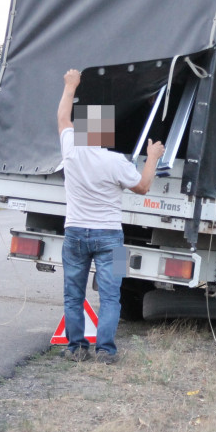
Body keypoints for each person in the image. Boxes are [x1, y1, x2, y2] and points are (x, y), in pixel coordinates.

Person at [57, 68, 164, 364]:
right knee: (111, 295)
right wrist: (152, 158)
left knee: (72, 294)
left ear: (82, 130)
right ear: (105, 131)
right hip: (112, 239)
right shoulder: (115, 162)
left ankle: (76, 347)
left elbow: (62, 118)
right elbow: (142, 187)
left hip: (75, 234)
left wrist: (71, 85)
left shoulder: (71, 152)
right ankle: (105, 350)